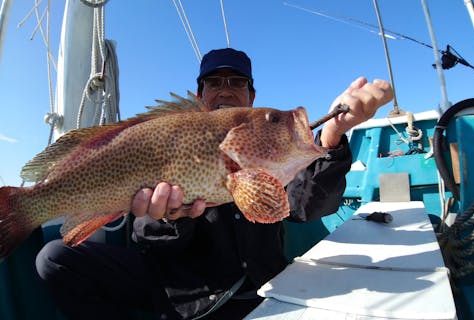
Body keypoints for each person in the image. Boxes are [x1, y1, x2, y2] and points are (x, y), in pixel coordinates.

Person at [35, 48, 393, 320]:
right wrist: (171, 218)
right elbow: (146, 239)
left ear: (251, 96)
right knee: (55, 259)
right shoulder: (172, 132)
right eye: (214, 82)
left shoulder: (276, 155)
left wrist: (331, 134)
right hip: (183, 298)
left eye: (237, 82)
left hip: (260, 293)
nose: (226, 89)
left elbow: (307, 207)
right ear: (200, 95)